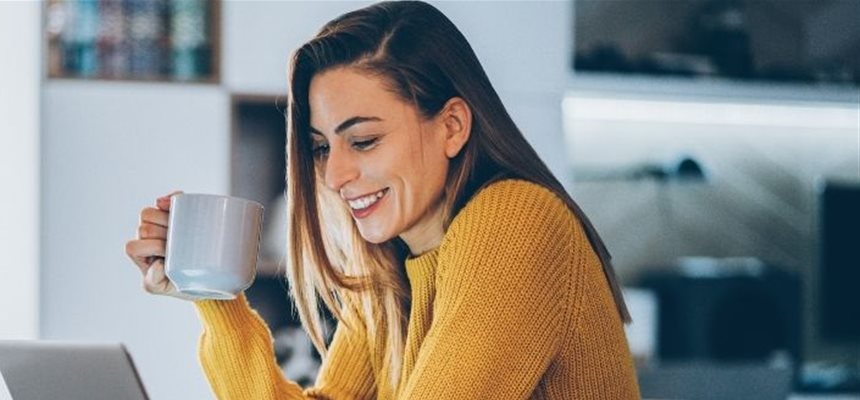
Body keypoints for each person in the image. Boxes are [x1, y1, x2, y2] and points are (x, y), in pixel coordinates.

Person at [124, 1, 641, 398]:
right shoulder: (387, 268)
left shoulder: (516, 221)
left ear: (452, 126)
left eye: (364, 140)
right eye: (321, 147)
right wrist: (211, 291)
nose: (334, 176)